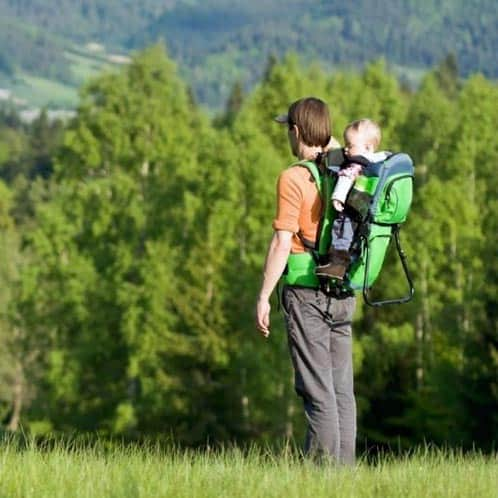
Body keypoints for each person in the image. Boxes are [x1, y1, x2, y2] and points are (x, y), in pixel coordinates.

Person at [255, 97, 357, 464]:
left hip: (306, 293)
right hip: (344, 292)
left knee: (318, 392)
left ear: (296, 132)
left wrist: (264, 295)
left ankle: (321, 478)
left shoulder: (293, 177)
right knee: (342, 391)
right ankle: (344, 479)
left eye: (288, 129)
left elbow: (283, 240)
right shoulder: (347, 170)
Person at [315, 118, 388, 280]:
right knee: (352, 239)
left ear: (367, 147)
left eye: (350, 146)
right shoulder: (379, 160)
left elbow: (345, 180)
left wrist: (337, 198)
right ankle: (348, 265)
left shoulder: (354, 165)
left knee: (340, 233)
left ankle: (336, 266)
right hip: (365, 210)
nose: (346, 150)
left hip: (350, 209)